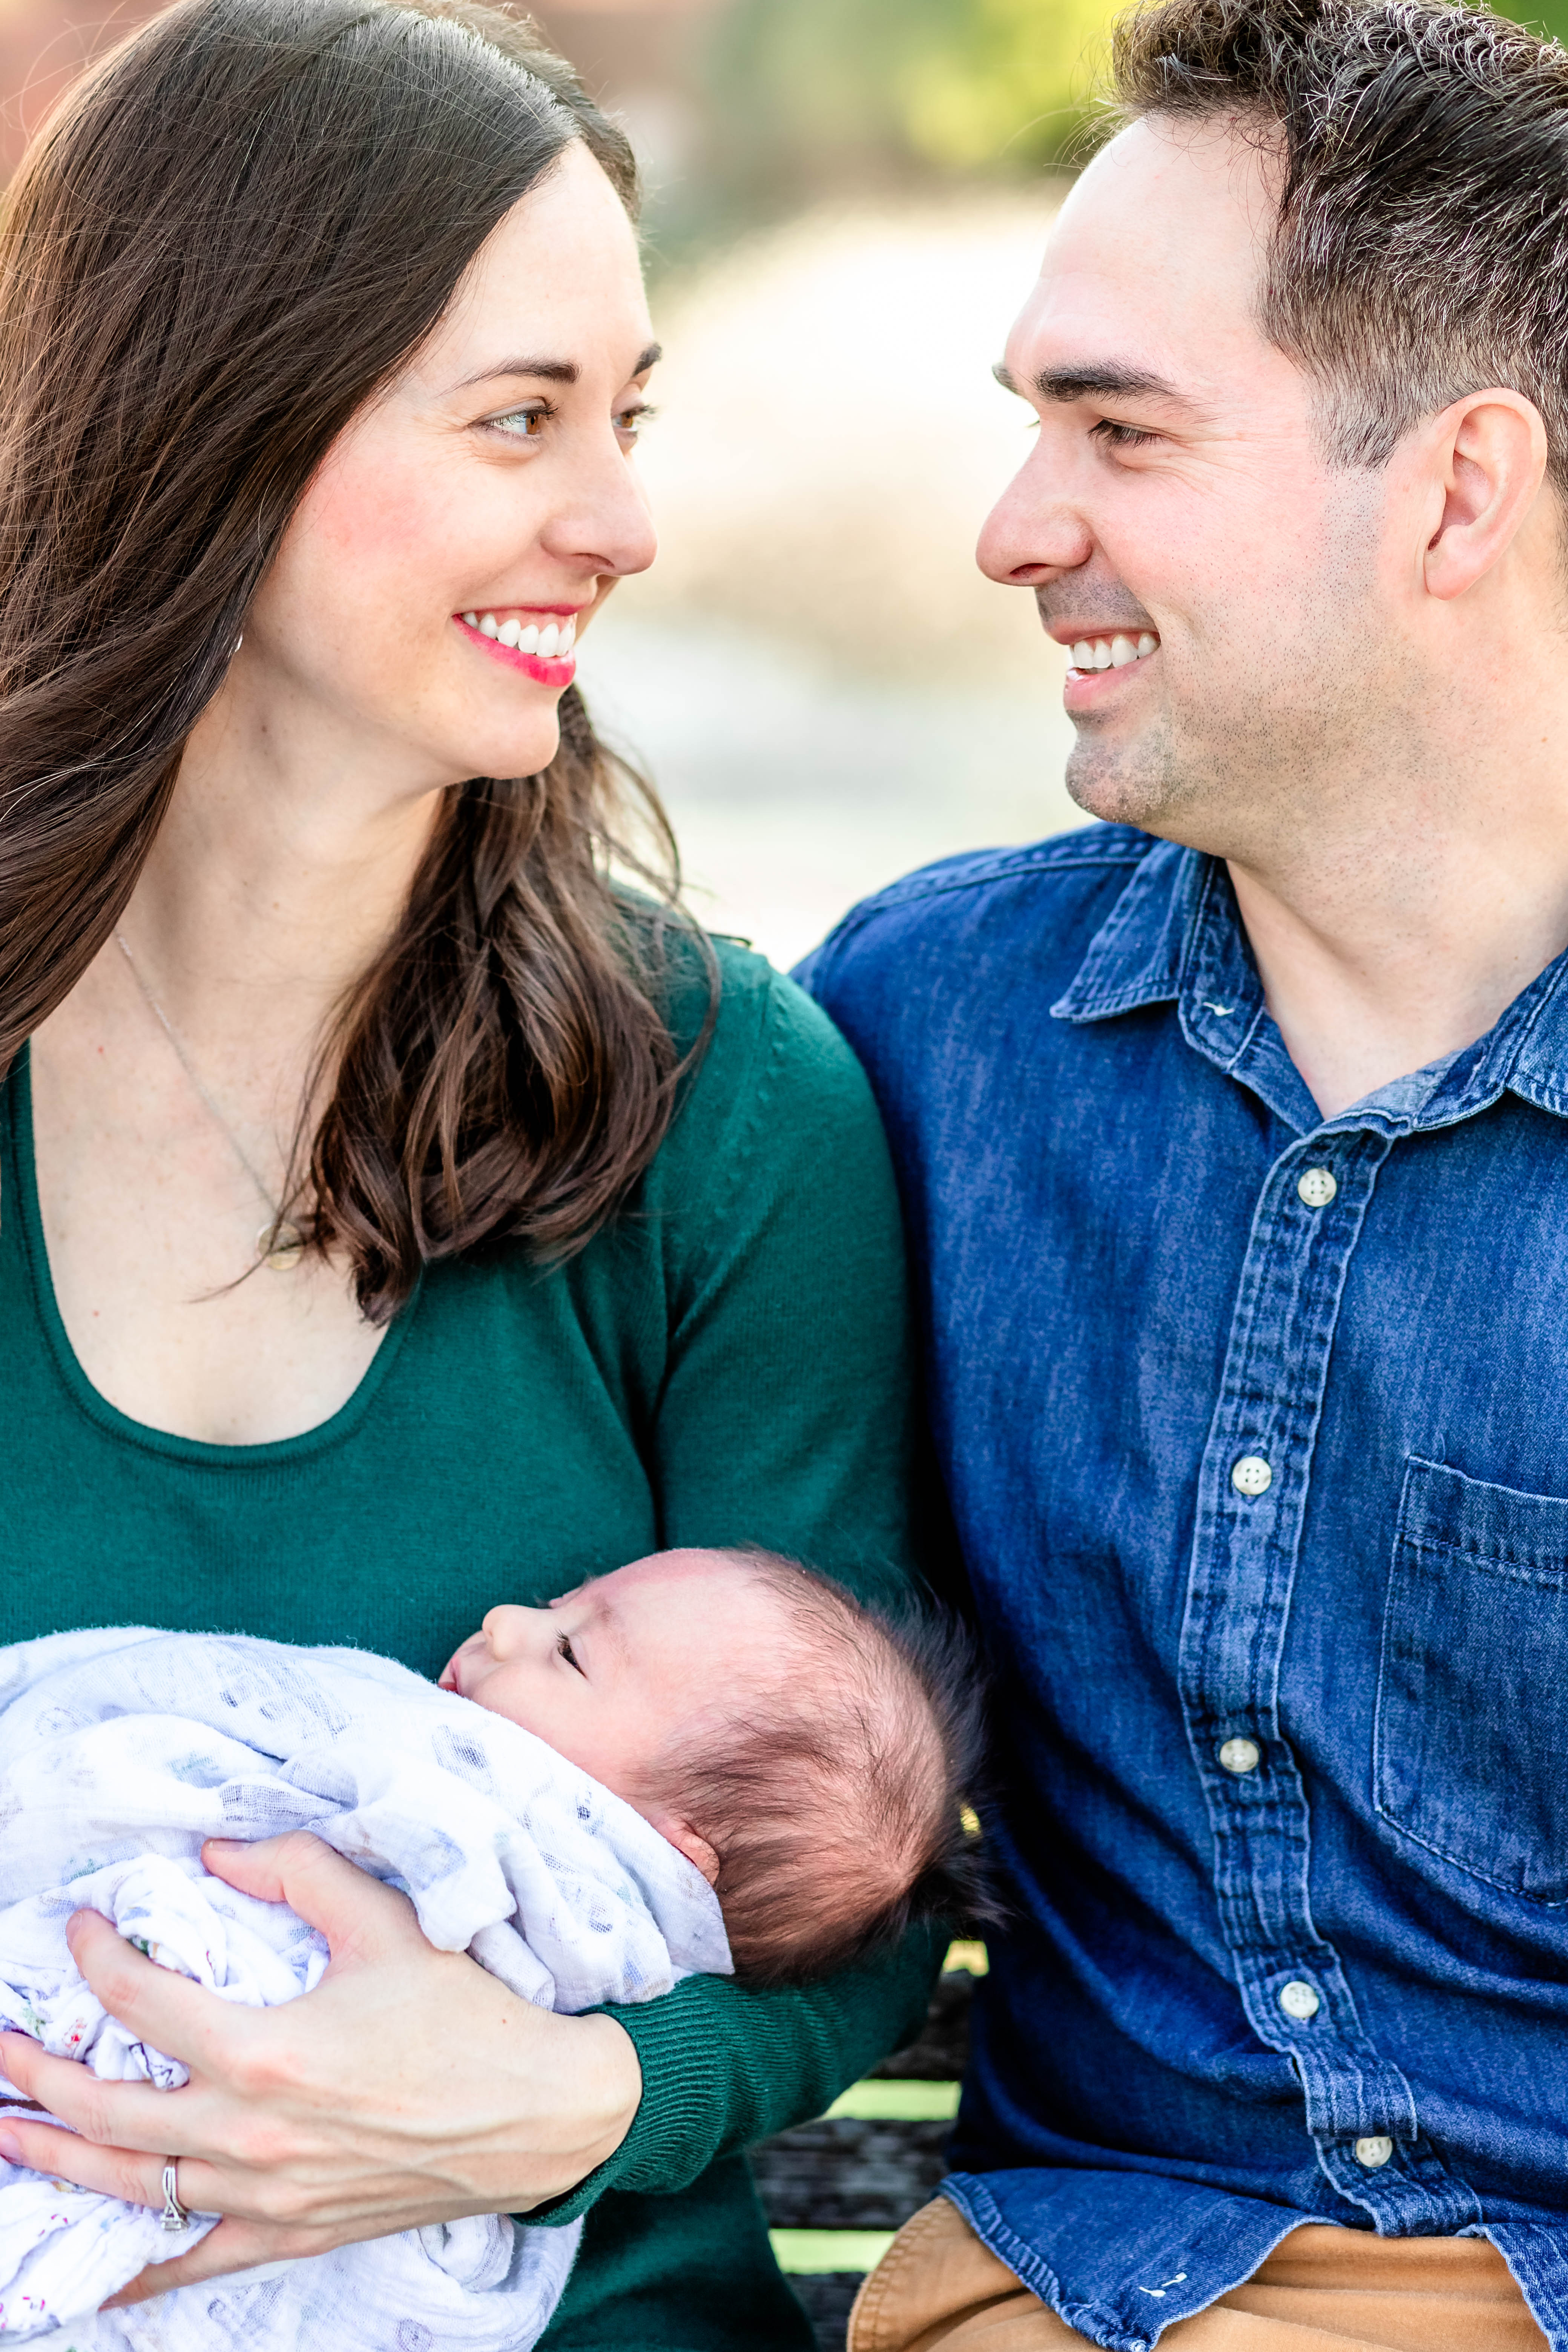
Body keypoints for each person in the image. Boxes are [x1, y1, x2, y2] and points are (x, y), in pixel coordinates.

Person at [0, 0, 940, 2341]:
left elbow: (849, 1886)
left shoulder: (722, 1101)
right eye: (522, 418)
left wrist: (555, 2103)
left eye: (630, 418)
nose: (622, 523)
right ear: (212, 424)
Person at [798, 0, 1568, 2345]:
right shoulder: (915, 1038)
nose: (1014, 532)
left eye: (1120, 430)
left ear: (1458, 490)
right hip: (1081, 2296)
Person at [0, 1550, 985, 2343]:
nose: (508, 1621)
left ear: (673, 1853)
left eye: (570, 1654)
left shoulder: (556, 1880)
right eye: (560, 1609)